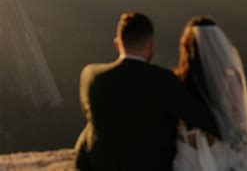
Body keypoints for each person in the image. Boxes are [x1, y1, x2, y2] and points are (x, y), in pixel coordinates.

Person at [74, 12, 220, 171]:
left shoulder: (91, 75)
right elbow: (203, 119)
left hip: (99, 165)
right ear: (151, 45)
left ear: (117, 44)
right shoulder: (164, 80)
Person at [173, 16, 247, 171]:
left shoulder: (177, 79)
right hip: (225, 147)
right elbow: (240, 113)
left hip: (189, 152)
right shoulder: (230, 78)